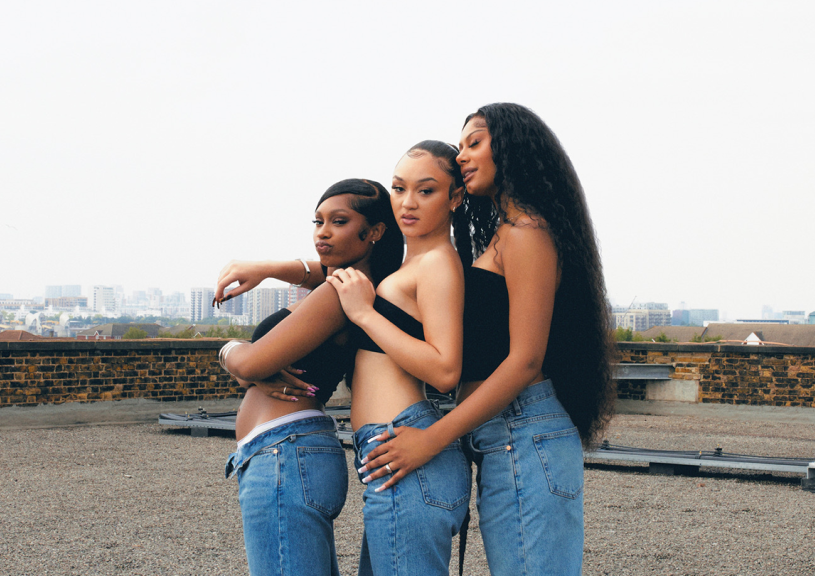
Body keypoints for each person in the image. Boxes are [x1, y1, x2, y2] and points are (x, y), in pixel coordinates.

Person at [359, 103, 617, 575]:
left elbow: (524, 361)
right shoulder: (504, 234)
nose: (462, 156)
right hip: (506, 438)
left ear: (512, 148)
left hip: (524, 431)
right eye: (460, 147)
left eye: (474, 143)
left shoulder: (527, 233)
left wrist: (430, 440)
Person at [219, 178, 403, 576]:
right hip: (290, 451)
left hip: (284, 453)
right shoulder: (356, 285)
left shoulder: (340, 291)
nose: (323, 232)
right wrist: (268, 268)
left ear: (374, 232)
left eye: (339, 221)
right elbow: (316, 273)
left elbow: (249, 366)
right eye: (317, 221)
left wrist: (229, 350)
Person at [328, 140, 470, 576]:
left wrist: (364, 314)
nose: (407, 203)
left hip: (404, 447)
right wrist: (272, 268)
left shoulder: (438, 265)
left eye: (425, 191)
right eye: (398, 188)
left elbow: (446, 370)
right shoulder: (414, 264)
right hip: (391, 450)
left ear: (455, 198)